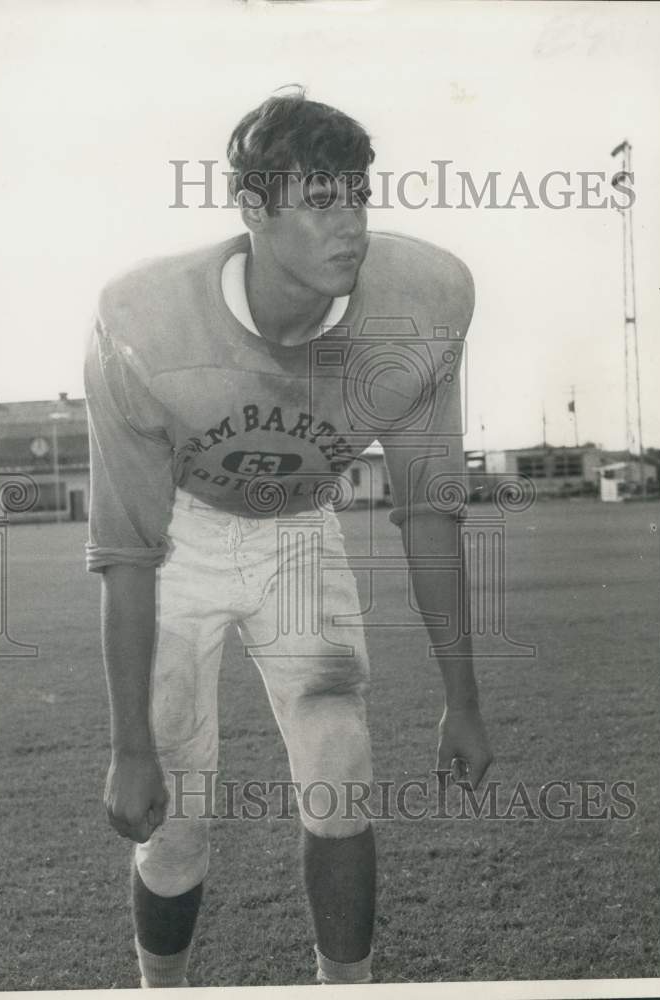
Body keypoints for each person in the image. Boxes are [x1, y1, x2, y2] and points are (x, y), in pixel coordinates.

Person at [83, 89, 493, 988]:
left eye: (358, 194)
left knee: (341, 772)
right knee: (177, 814)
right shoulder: (147, 321)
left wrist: (461, 699)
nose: (351, 225)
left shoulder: (420, 303)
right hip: (178, 538)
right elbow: (124, 550)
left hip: (302, 532)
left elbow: (430, 507)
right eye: (320, 200)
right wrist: (129, 749)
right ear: (254, 209)